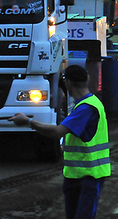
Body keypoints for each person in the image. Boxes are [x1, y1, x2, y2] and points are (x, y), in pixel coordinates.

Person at [8, 65, 110, 219]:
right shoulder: (88, 103)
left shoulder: (86, 108)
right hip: (76, 176)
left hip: (90, 176)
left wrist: (28, 122)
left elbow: (57, 132)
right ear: (87, 79)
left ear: (68, 83)